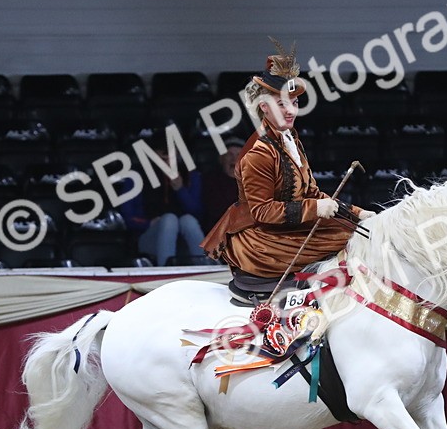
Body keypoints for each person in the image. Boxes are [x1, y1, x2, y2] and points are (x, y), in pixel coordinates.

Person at [201, 41, 373, 302]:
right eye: (282, 104)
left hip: (287, 226)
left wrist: (356, 213)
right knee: (347, 238)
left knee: (351, 229)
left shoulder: (290, 138)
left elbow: (311, 191)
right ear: (264, 107)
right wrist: (315, 209)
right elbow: (262, 211)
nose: (291, 110)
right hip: (261, 239)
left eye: (294, 102)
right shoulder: (258, 153)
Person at [119, 149, 212, 266]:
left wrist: (180, 189)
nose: (166, 156)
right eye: (161, 151)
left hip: (184, 239)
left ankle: (205, 267)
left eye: (170, 151)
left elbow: (198, 213)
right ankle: (165, 271)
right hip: (150, 237)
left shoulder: (190, 175)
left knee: (188, 220)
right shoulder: (137, 177)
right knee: (169, 219)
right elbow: (127, 216)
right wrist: (148, 223)